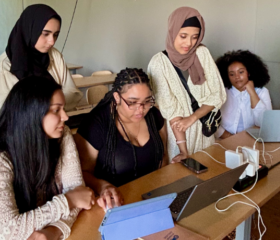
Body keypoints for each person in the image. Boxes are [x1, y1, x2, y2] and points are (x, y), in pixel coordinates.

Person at [0, 77, 94, 240]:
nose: (65, 117)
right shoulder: (2, 156)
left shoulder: (61, 134)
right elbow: (7, 230)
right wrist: (67, 201)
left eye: (63, 109)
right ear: (32, 114)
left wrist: (55, 230)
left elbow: (79, 194)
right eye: (56, 110)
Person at [74, 68, 167, 211]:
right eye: (132, 102)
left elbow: (163, 157)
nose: (141, 109)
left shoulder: (153, 116)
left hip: (151, 196)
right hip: (115, 205)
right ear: (117, 97)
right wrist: (103, 186)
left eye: (147, 101)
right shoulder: (97, 124)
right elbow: (82, 173)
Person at [148, 7, 226, 162]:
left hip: (205, 131)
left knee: (208, 174)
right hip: (180, 136)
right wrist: (183, 150)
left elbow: (218, 95)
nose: (189, 43)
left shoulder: (202, 53)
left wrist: (192, 118)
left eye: (195, 37)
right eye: (183, 36)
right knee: (182, 177)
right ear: (172, 31)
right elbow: (171, 111)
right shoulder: (159, 63)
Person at [0, 4, 83, 111]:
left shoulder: (55, 56)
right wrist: (51, 104)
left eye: (56, 34)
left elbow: (73, 93)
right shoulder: (4, 68)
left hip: (56, 125)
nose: (52, 41)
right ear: (29, 30)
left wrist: (49, 106)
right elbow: (6, 113)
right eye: (45, 34)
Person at [215, 50, 272, 139]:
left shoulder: (262, 91)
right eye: (232, 74)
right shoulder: (221, 92)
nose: (236, 77)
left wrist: (252, 93)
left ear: (249, 72)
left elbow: (266, 124)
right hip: (223, 141)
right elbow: (211, 122)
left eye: (241, 72)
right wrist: (229, 137)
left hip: (253, 141)